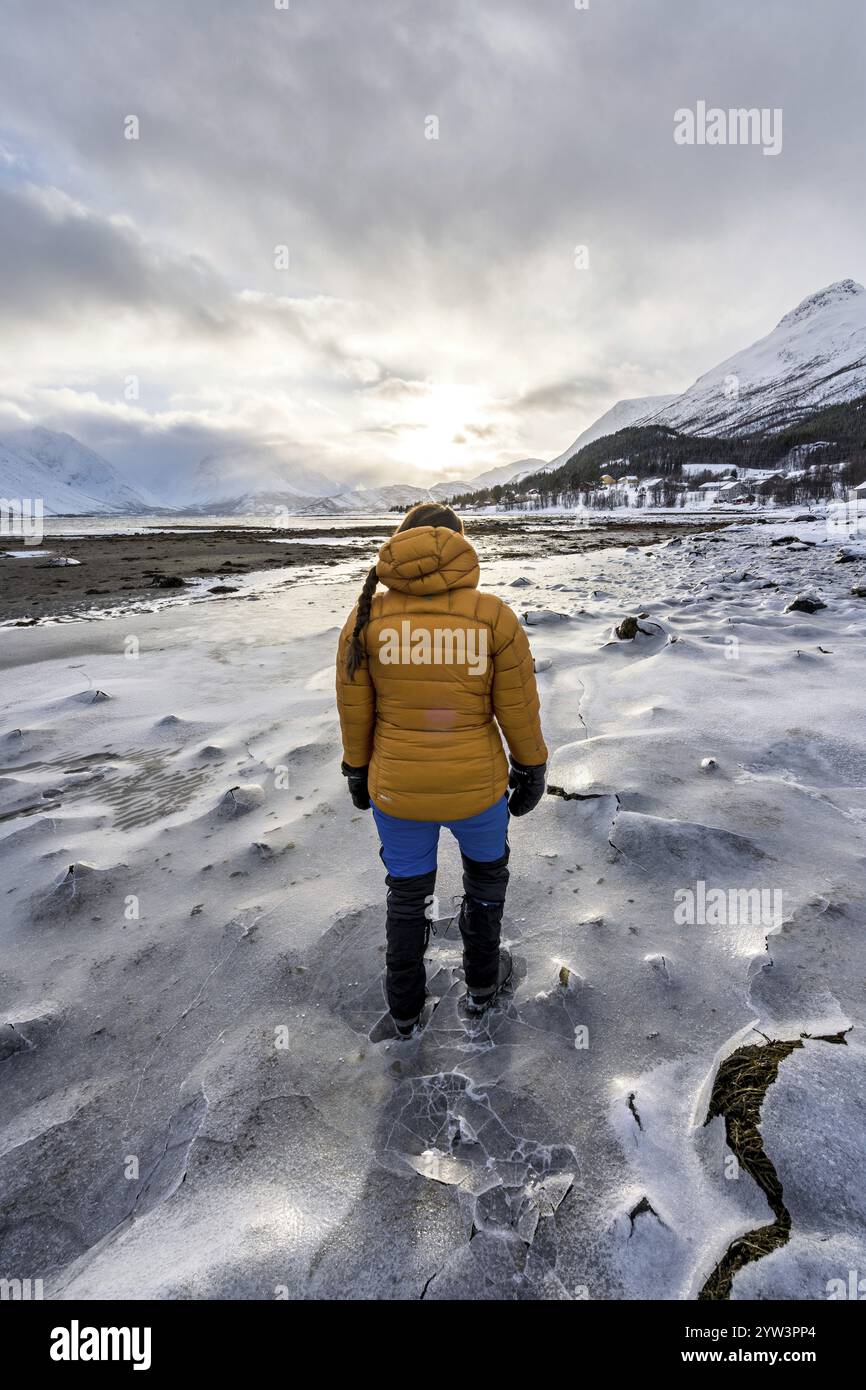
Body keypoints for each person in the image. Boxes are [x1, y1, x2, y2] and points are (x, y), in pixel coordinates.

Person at [335, 502, 547, 1037]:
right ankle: (481, 983)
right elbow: (517, 708)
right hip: (476, 790)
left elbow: (354, 708)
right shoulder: (492, 615)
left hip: (399, 790)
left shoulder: (367, 618)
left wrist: (357, 772)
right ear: (460, 548)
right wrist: (532, 768)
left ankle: (405, 1011)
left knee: (407, 894)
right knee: (486, 880)